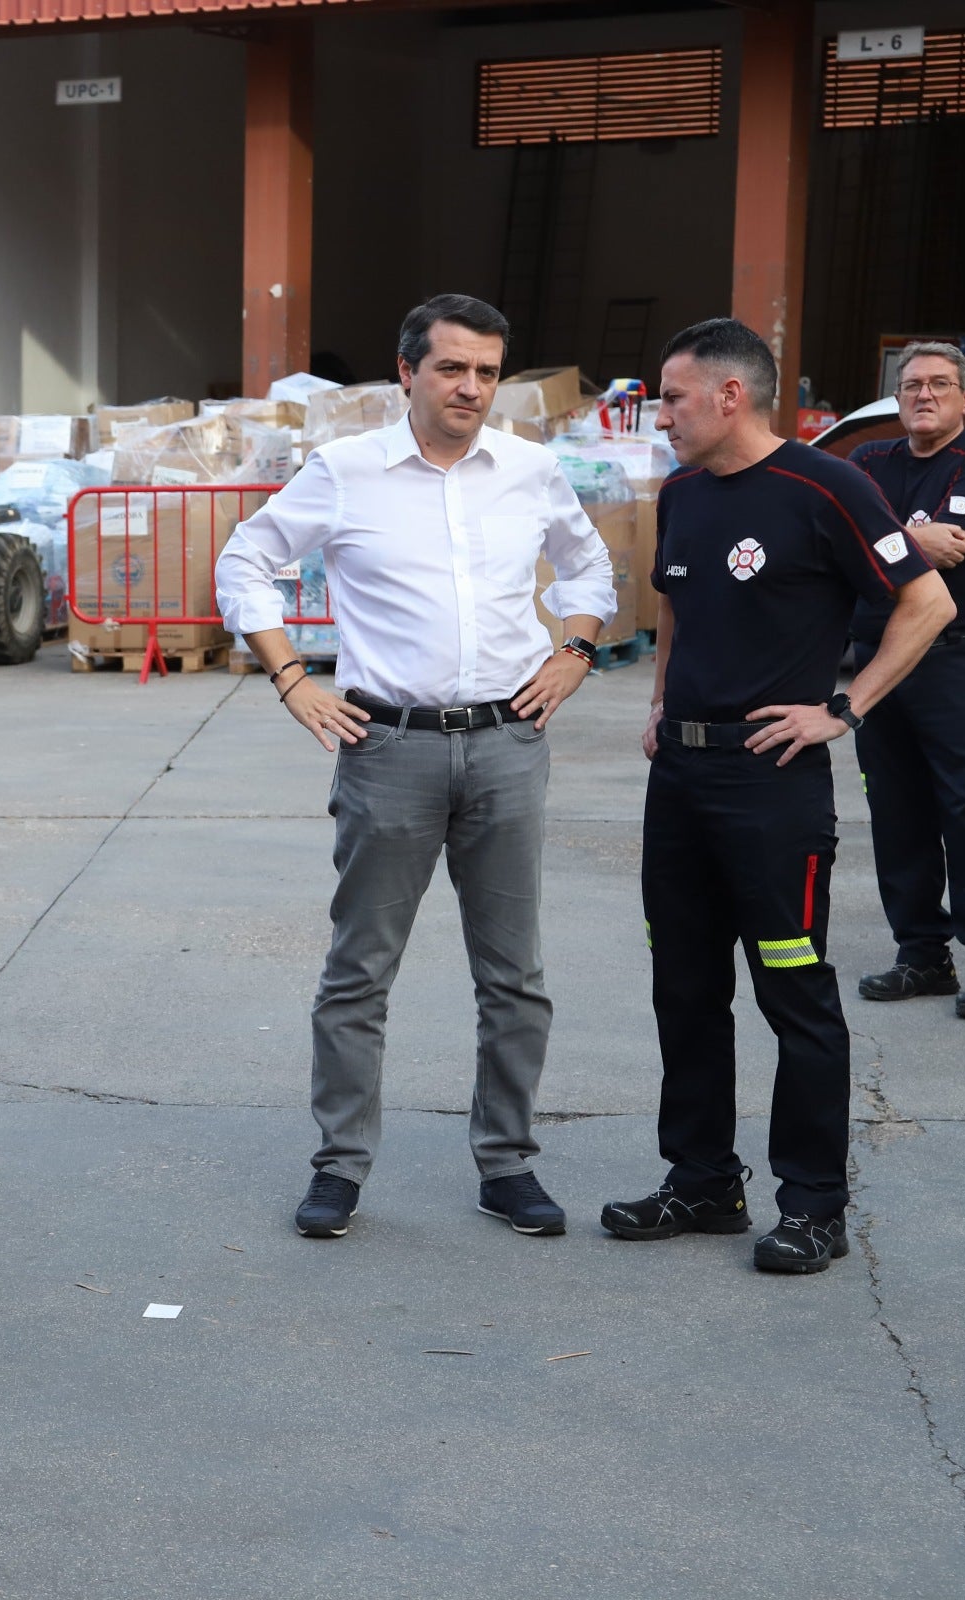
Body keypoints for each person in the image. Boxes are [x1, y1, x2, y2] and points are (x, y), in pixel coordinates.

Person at [213, 293, 616, 1243]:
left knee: (515, 974)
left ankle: (508, 1164)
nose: (471, 387)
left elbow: (590, 568)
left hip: (509, 747)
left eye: (486, 371)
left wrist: (576, 651)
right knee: (360, 972)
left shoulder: (529, 470)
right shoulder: (347, 473)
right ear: (408, 372)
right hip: (385, 748)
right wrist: (290, 679)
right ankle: (340, 1168)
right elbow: (246, 559)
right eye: (451, 368)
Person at [601, 317, 954, 1275]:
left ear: (730, 396)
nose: (660, 413)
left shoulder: (826, 486)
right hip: (680, 778)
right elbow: (675, 604)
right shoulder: (679, 493)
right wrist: (663, 699)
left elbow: (928, 602)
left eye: (672, 396)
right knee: (684, 987)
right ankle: (702, 1180)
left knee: (793, 993)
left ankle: (814, 1205)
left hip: (772, 786)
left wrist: (843, 709)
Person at [844, 341, 965, 1021]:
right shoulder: (867, 460)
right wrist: (912, 537)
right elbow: (849, 538)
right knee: (896, 811)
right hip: (879, 662)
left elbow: (955, 540)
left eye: (940, 385)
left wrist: (885, 538)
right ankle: (922, 955)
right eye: (913, 384)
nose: (924, 395)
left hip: (960, 661)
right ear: (897, 396)